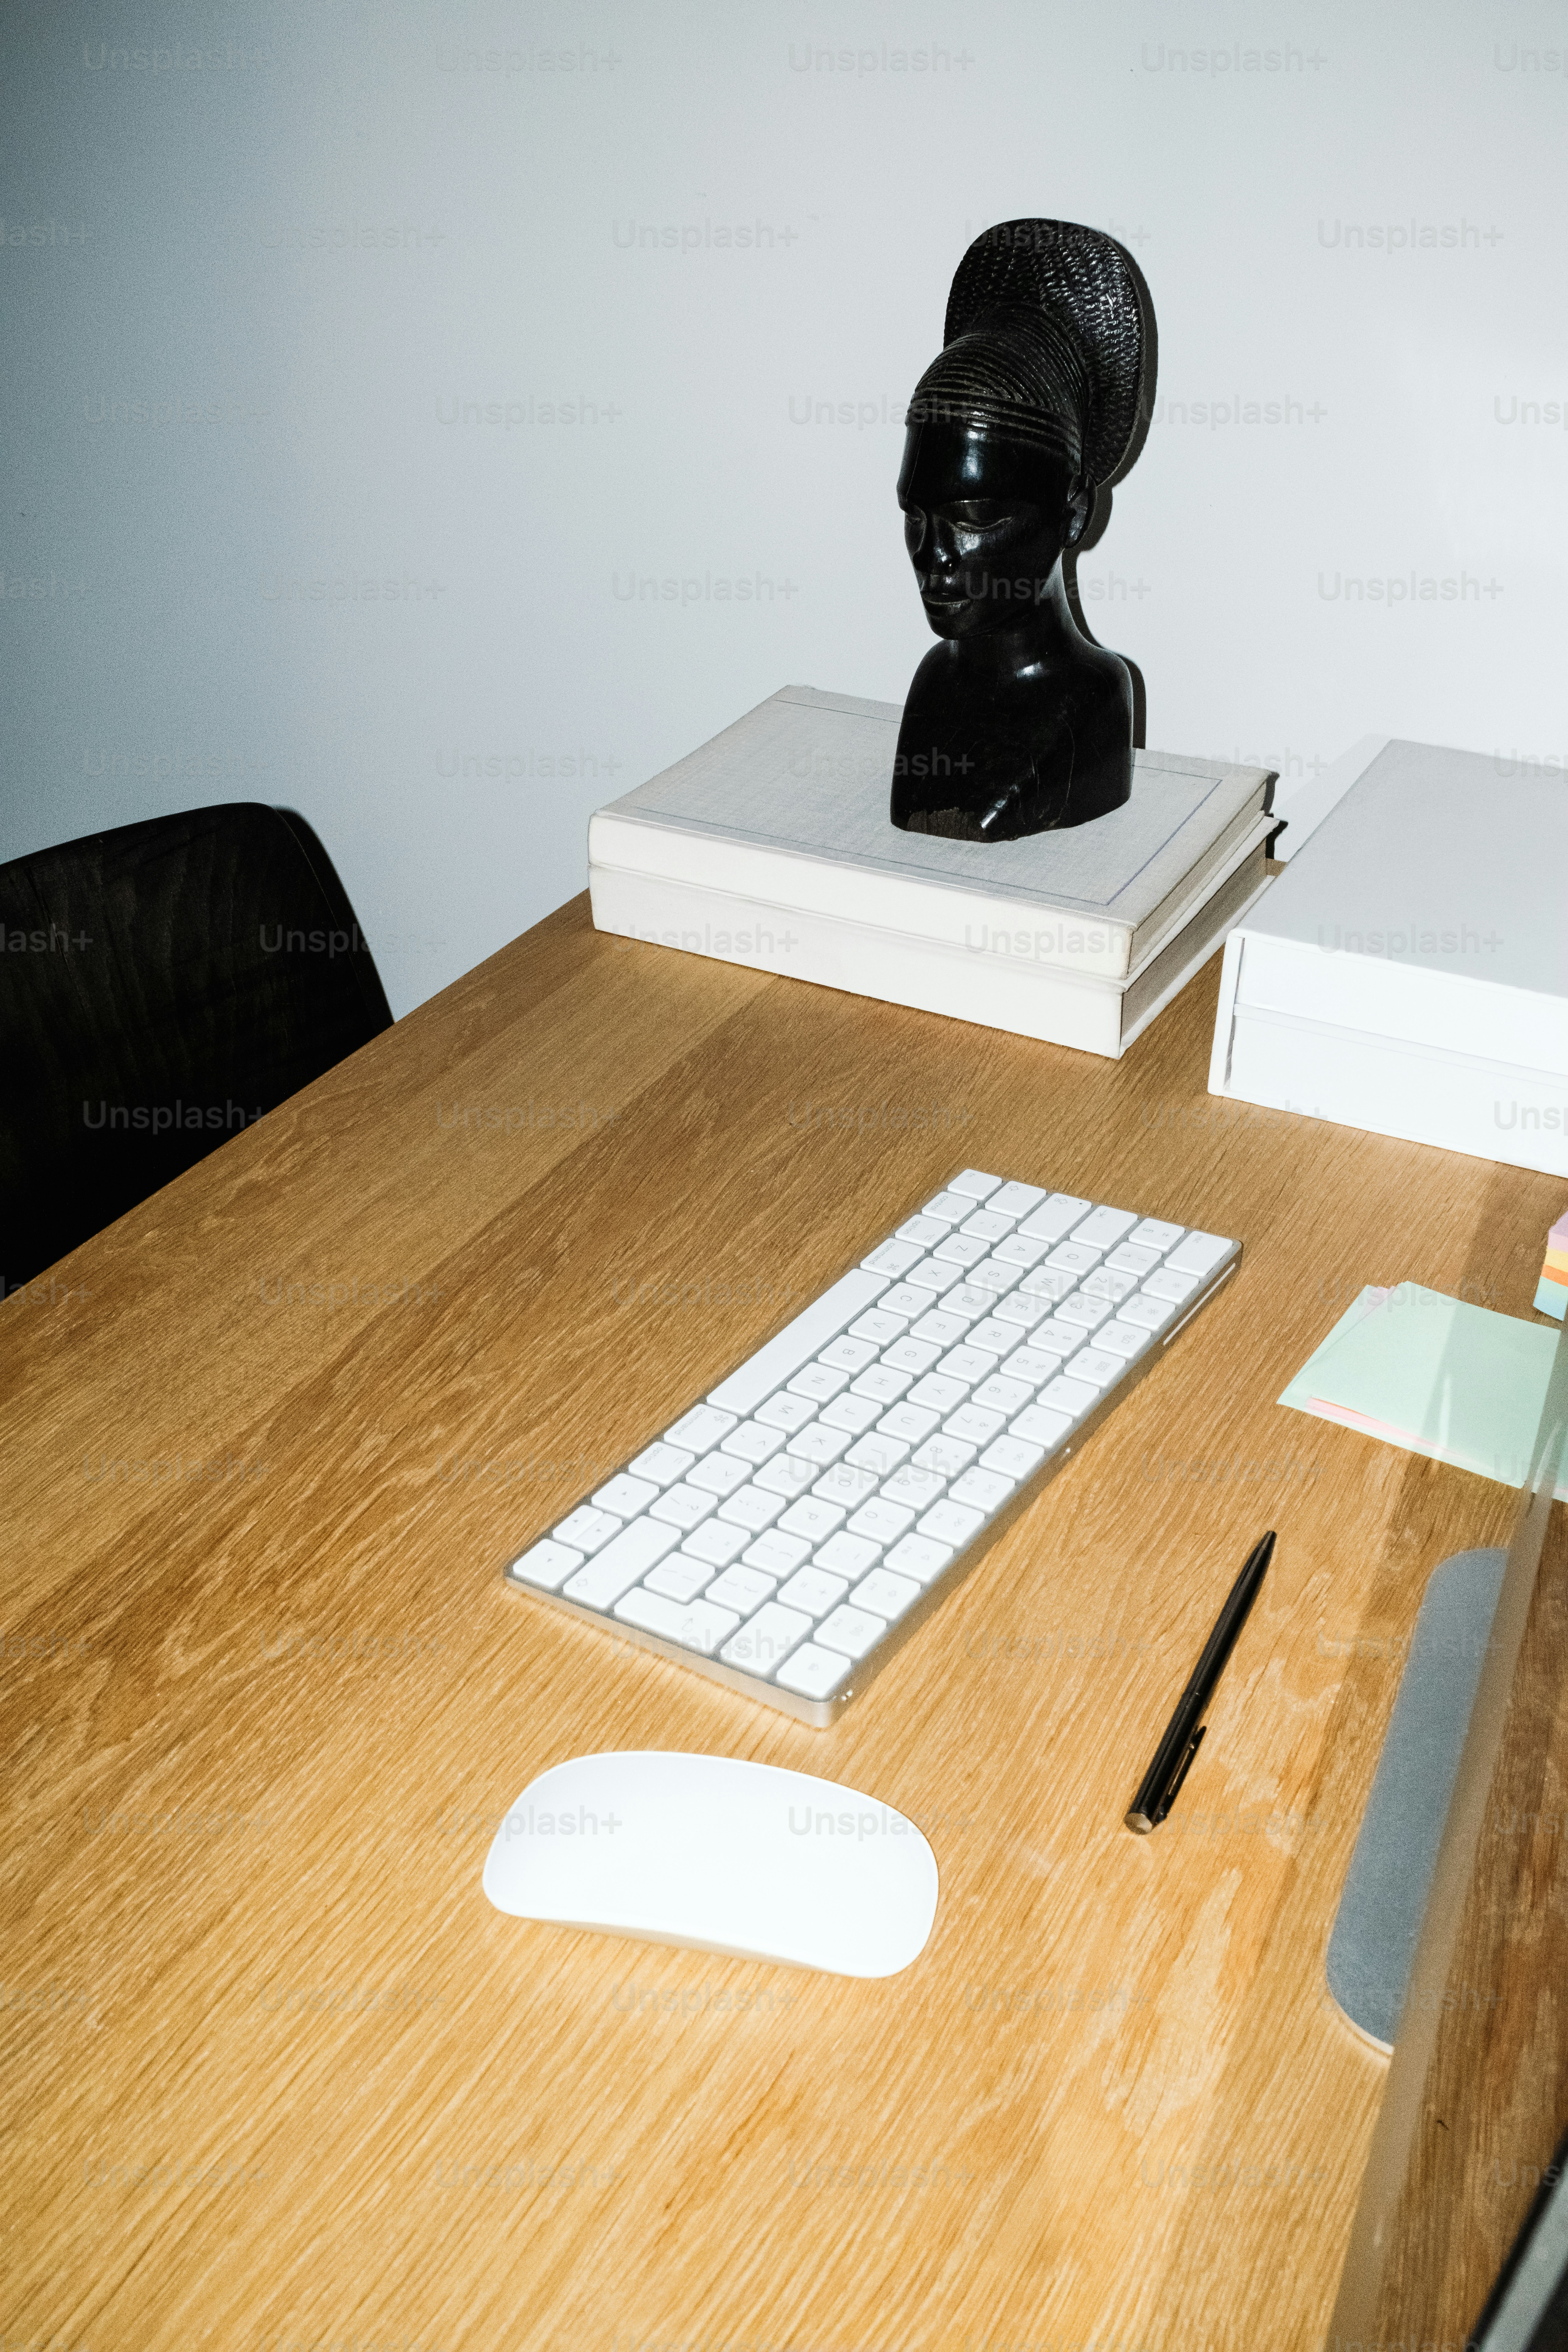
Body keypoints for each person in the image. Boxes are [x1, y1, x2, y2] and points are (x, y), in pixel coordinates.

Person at [891, 219, 1153, 842]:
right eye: (915, 516)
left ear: (1073, 514)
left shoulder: (1093, 701)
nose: (933, 554)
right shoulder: (934, 681)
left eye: (975, 518)